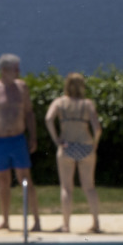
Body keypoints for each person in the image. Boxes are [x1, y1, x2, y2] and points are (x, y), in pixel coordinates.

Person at [0, 53, 40, 231]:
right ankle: (5, 220)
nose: (19, 72)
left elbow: (29, 113)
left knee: (25, 179)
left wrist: (33, 137)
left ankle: (36, 220)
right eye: (15, 69)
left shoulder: (22, 87)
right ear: (5, 70)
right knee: (3, 180)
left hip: (18, 139)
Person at [44, 72, 102, 233]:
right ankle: (96, 223)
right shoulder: (87, 104)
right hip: (86, 146)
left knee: (66, 188)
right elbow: (97, 129)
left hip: (66, 146)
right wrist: (95, 144)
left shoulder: (60, 102)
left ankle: (66, 225)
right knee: (89, 187)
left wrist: (56, 139)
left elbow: (48, 119)